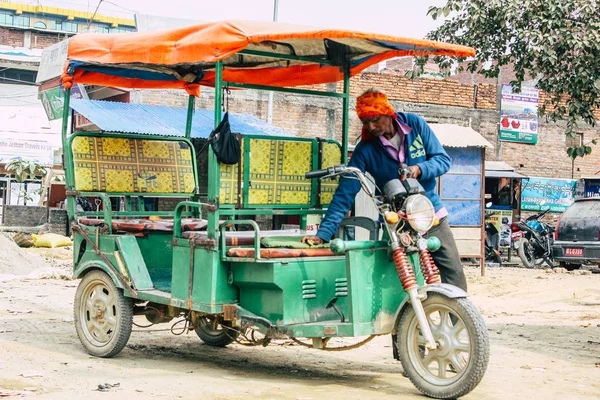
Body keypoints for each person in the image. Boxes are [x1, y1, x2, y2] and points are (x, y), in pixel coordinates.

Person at [302, 89, 467, 292]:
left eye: (375, 119)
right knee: (393, 276)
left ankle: (455, 320)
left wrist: (419, 169)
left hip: (429, 213)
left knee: (453, 273)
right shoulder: (365, 149)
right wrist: (324, 233)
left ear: (388, 113)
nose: (371, 127)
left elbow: (443, 160)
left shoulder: (415, 125)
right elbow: (346, 191)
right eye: (365, 122)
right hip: (396, 222)